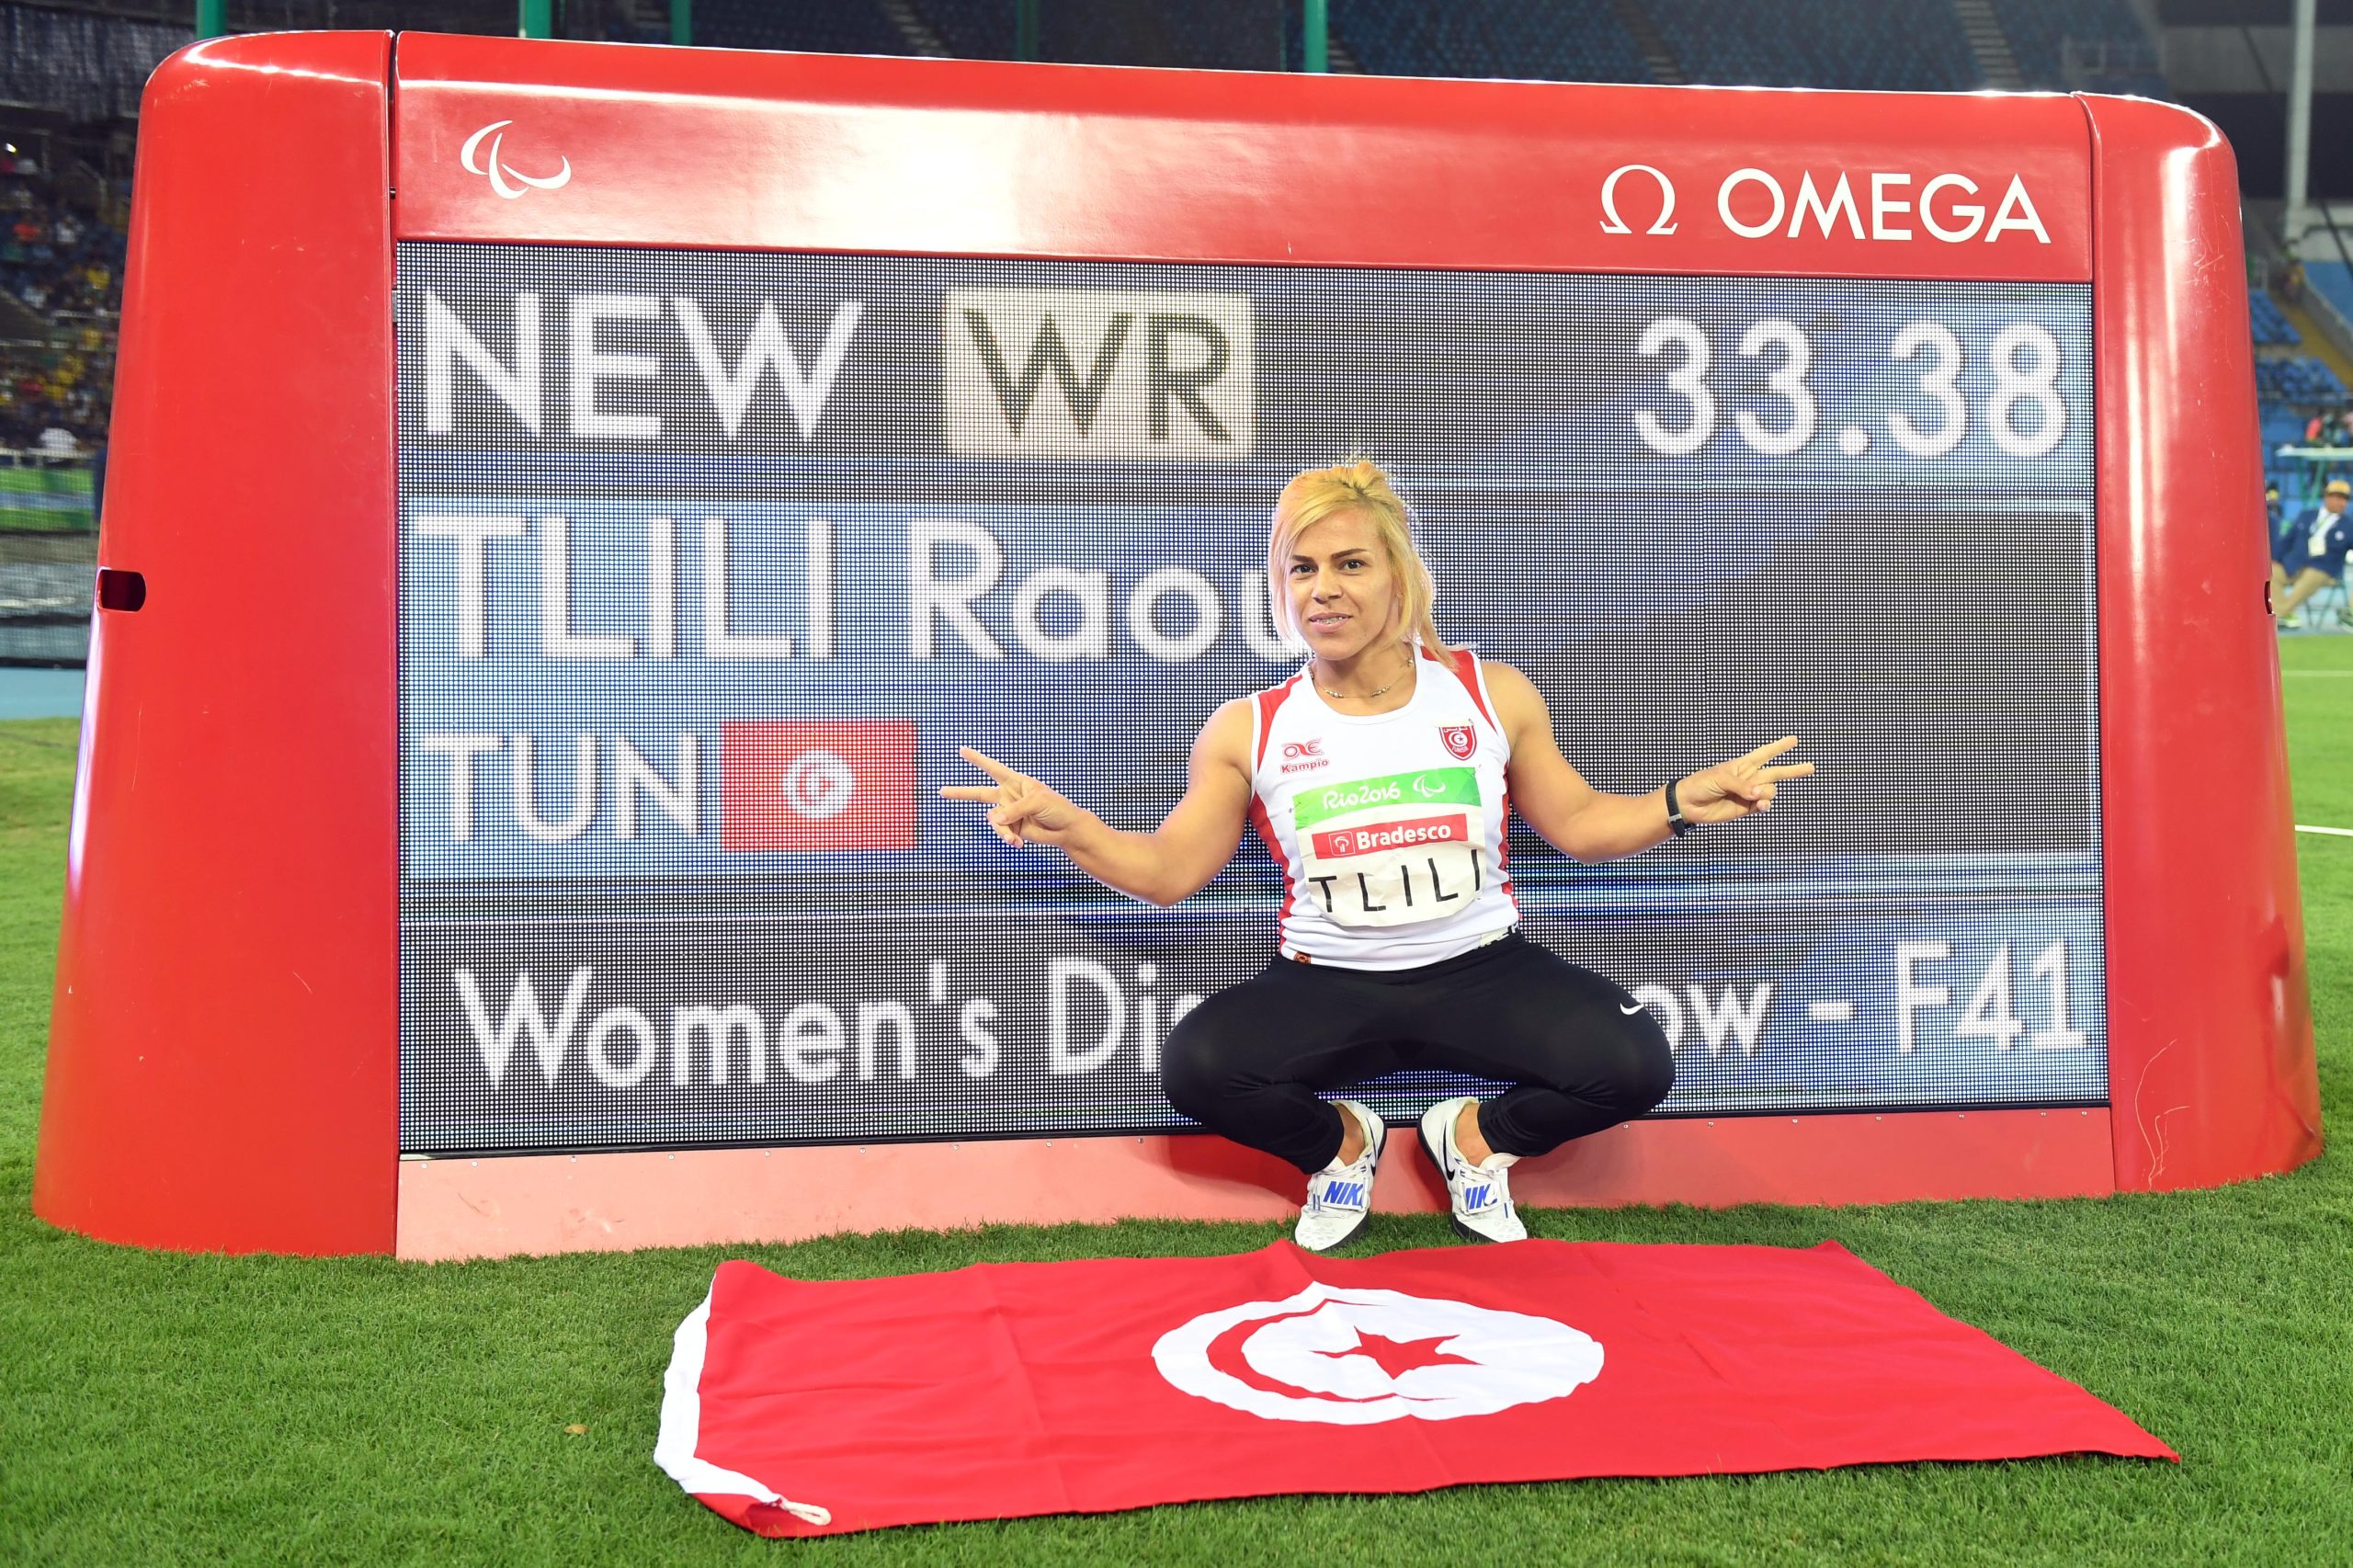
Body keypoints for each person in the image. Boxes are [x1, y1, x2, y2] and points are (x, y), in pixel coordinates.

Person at [941, 460, 1815, 1251]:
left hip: (1482, 969)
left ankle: (1471, 1141)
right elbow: (1170, 874)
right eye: (1303, 569)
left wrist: (1676, 806)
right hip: (1326, 980)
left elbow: (1580, 824)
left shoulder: (1486, 691)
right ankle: (1345, 1145)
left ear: (1400, 576)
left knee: (1634, 1067)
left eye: (1350, 564)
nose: (1325, 589)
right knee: (1197, 1067)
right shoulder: (1250, 726)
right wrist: (1073, 828)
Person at [2277, 476, 2353, 630]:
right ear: (2326, 497)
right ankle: (2286, 614)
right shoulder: (2307, 515)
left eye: (2345, 499)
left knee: (2310, 577)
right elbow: (2287, 540)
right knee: (2271, 573)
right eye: (2337, 497)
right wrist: (2273, 559)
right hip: (2296, 563)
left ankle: (2280, 613)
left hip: (2325, 570)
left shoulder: (2349, 525)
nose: (2341, 502)